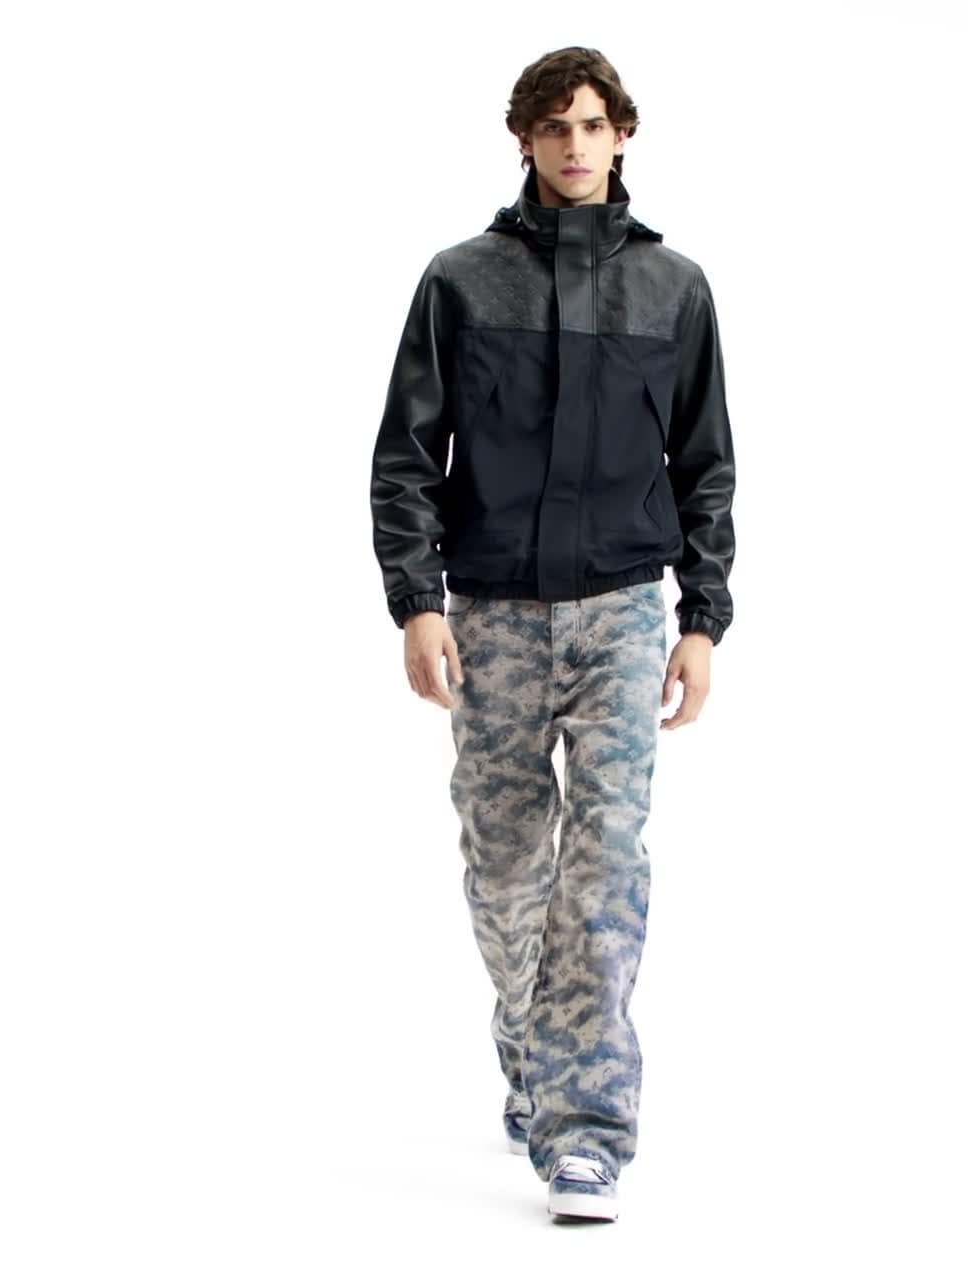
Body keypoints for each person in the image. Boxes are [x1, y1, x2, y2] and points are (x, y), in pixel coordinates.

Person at [369, 46, 736, 1222]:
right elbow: (405, 456)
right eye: (552, 127)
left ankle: (586, 1128)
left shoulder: (672, 288)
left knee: (606, 861)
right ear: (523, 140)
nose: (574, 146)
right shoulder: (459, 280)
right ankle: (532, 1039)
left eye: (590, 124)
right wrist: (417, 600)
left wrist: (701, 618)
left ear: (621, 133)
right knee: (507, 868)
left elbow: (705, 464)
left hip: (623, 609)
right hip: (491, 615)